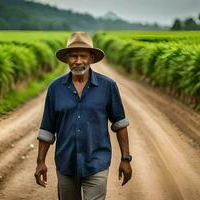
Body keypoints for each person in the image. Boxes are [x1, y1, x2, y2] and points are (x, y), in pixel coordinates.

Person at [34, 32, 132, 200]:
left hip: (97, 163)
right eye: (73, 56)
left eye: (83, 56)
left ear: (91, 58)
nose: (78, 61)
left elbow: (120, 124)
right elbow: (47, 129)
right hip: (66, 163)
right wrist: (40, 162)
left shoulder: (108, 86)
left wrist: (126, 159)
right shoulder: (55, 88)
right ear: (66, 59)